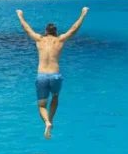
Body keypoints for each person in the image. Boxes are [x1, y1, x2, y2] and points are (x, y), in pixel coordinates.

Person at [17, 7, 89, 139]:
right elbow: (74, 28)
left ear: (45, 31)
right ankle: (51, 120)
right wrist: (83, 14)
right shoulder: (60, 40)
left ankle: (47, 122)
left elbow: (26, 28)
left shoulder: (39, 39)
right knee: (55, 97)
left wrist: (20, 15)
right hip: (55, 75)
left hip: (42, 76)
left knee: (41, 105)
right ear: (56, 32)